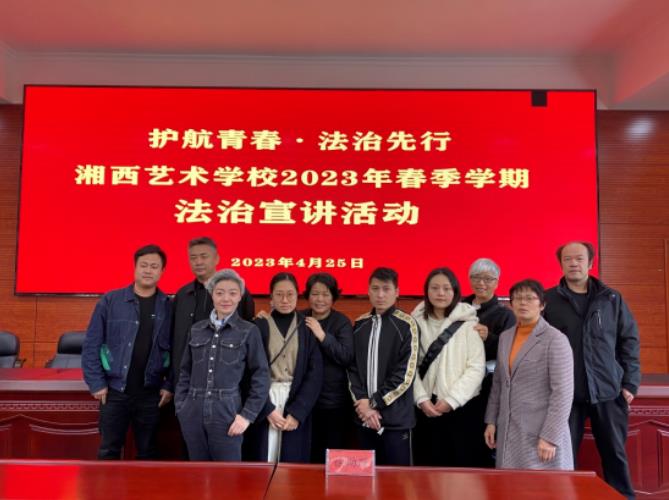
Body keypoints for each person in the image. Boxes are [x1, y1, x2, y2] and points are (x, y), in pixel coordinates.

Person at [544, 241, 640, 499]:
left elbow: (629, 340)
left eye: (579, 258)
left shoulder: (611, 298)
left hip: (608, 391)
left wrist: (630, 383)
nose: (573, 263)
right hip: (566, 395)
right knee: (563, 458)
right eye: (567, 259)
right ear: (561, 264)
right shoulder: (548, 300)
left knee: (615, 455)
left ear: (590, 263)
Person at [82, 244, 173, 459]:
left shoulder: (168, 306)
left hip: (151, 393)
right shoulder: (111, 301)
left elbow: (176, 350)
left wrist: (170, 385)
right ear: (135, 267)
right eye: (143, 265)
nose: (148, 270)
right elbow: (92, 344)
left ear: (162, 271)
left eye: (154, 266)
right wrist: (96, 383)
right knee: (108, 450)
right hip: (114, 391)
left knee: (148, 452)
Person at [175, 269, 269, 461]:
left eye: (232, 293)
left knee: (227, 473)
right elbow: (185, 371)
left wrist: (247, 416)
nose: (226, 298)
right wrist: (182, 407)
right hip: (192, 410)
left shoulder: (248, 331)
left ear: (240, 296)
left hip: (227, 411)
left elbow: (261, 375)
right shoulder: (197, 329)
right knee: (197, 471)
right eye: (220, 293)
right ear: (212, 295)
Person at [484, 279, 574, 470]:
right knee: (510, 484)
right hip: (509, 431)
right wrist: (491, 421)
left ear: (542, 305)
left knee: (541, 486)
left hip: (540, 436)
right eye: (517, 298)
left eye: (530, 298)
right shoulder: (506, 337)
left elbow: (563, 394)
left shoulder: (555, 339)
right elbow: (499, 383)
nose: (523, 303)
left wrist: (550, 437)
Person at [243, 272, 323, 463]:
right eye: (279, 294)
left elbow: (314, 374)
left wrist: (297, 413)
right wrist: (266, 409)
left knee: (291, 460)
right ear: (271, 296)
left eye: (290, 294)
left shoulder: (307, 327)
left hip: (295, 398)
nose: (285, 300)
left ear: (297, 295)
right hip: (265, 397)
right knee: (264, 456)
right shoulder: (258, 326)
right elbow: (249, 371)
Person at [412, 267, 485, 466]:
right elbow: (409, 366)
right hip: (425, 407)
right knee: (427, 467)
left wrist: (452, 400)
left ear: (455, 291)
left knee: (459, 469)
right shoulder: (414, 323)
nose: (441, 293)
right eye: (435, 288)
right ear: (427, 291)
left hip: (462, 407)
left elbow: (476, 367)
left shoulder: (468, 324)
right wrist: (421, 398)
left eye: (446, 288)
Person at [348, 267, 418, 466]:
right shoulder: (360, 324)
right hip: (363, 418)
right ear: (368, 291)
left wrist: (373, 403)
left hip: (395, 420)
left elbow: (405, 374)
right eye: (375, 288)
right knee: (366, 477)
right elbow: (352, 368)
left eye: (386, 289)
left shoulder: (407, 324)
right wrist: (363, 404)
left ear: (397, 292)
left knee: (398, 479)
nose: (380, 295)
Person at [172, 237, 255, 389]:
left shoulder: (238, 294)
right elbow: (173, 340)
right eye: (193, 257)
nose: (198, 262)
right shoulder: (182, 295)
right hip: (184, 383)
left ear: (217, 259)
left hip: (224, 387)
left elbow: (247, 336)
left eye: (204, 256)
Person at [462, 257, 516, 467]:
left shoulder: (505, 315)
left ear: (497, 282)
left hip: (486, 389)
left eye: (488, 279)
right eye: (476, 277)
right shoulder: (458, 308)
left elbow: (510, 353)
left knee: (480, 443)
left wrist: (490, 338)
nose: (481, 283)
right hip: (456, 385)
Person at [302, 272, 354, 463]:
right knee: (305, 454)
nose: (320, 299)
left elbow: (346, 356)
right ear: (308, 295)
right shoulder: (300, 317)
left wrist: (322, 335)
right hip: (303, 401)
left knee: (331, 457)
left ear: (333, 297)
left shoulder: (341, 322)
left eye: (325, 294)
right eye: (315, 294)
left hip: (332, 402)